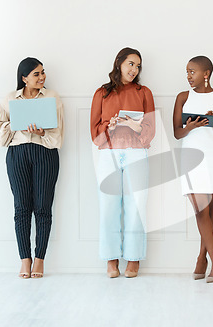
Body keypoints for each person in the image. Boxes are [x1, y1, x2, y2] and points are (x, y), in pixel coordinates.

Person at [0, 57, 64, 278]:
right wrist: (16, 123)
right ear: (24, 78)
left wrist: (42, 132)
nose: (42, 77)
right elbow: (0, 135)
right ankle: (25, 259)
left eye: (43, 72)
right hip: (17, 154)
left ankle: (39, 260)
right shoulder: (9, 99)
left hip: (45, 153)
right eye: (36, 74)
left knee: (43, 208)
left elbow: (58, 136)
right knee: (21, 208)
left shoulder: (52, 97)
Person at [90, 47, 155, 278]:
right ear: (119, 63)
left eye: (138, 66)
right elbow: (95, 135)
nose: (134, 69)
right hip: (108, 154)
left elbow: (149, 133)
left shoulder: (144, 92)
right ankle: (110, 259)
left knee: (136, 206)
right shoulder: (102, 93)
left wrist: (137, 127)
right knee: (108, 207)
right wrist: (111, 127)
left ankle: (133, 258)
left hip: (137, 153)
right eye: (130, 64)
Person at [173, 56, 213, 283]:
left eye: (192, 72)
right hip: (191, 158)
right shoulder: (182, 97)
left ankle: (201, 258)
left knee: (209, 212)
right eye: (187, 72)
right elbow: (177, 133)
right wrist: (188, 127)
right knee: (200, 211)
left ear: (206, 73)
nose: (188, 76)